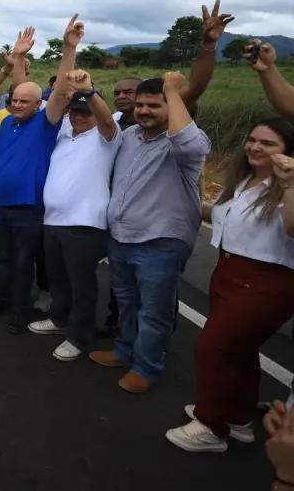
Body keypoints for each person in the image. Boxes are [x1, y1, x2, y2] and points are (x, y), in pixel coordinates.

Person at [165, 118, 294, 452]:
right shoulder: (243, 181)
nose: (255, 147)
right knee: (241, 351)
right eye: (252, 140)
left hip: (266, 280)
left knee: (214, 347)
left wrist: (291, 183)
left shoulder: (288, 188)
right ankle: (237, 418)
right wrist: (193, 193)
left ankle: (210, 426)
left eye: (268, 144)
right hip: (228, 270)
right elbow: (219, 217)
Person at [91, 72, 211, 394]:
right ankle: (123, 351)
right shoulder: (131, 136)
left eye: (154, 105)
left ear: (172, 107)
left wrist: (174, 92)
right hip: (121, 237)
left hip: (159, 243)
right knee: (127, 302)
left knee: (154, 310)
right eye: (140, 104)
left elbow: (188, 143)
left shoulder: (187, 143)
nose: (144, 110)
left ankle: (146, 367)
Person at [0, 17, 80, 334]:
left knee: (24, 263)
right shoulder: (7, 121)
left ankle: (19, 310)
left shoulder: (45, 123)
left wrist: (69, 49)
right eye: (15, 100)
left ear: (39, 104)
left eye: (26, 101)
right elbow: (18, 85)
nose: (18, 104)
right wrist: (20, 56)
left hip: (28, 209)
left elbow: (63, 89)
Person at [32, 71, 121, 361]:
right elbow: (55, 102)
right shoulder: (63, 134)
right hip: (53, 220)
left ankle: (79, 337)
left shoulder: (107, 138)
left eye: (85, 112)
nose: (79, 117)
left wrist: (89, 92)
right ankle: (59, 320)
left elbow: (106, 120)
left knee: (82, 284)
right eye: (75, 112)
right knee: (57, 278)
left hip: (84, 223)